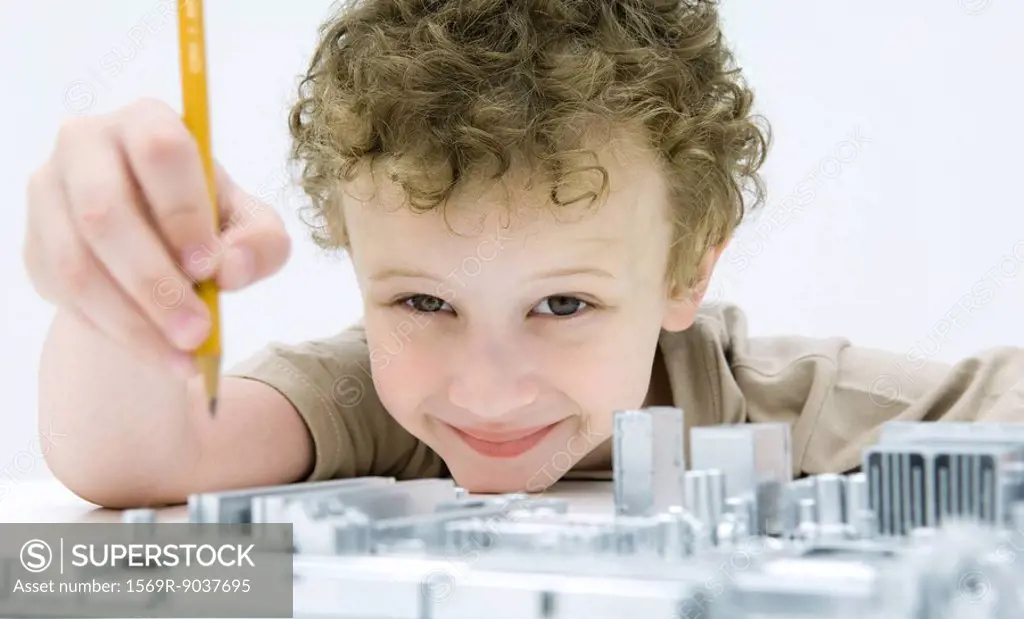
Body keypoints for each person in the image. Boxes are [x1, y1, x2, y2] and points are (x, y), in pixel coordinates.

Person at [25, 0, 1024, 509]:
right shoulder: (360, 400)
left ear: (686, 271)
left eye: (561, 306)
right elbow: (138, 462)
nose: (488, 389)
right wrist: (112, 291)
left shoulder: (758, 399)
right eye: (420, 303)